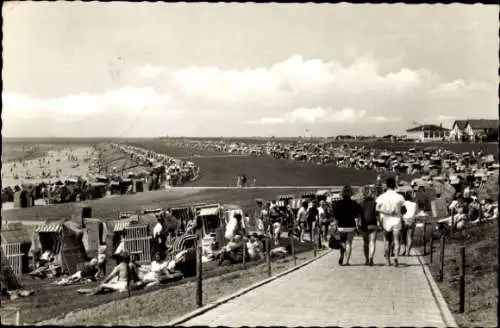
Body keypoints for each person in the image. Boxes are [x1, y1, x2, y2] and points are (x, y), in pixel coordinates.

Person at [375, 177, 406, 267]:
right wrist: (400, 212)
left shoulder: (382, 196)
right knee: (396, 241)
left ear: (386, 185)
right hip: (396, 220)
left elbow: (377, 208)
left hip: (386, 220)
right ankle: (396, 256)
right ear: (395, 185)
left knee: (387, 241)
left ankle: (387, 261)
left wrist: (386, 212)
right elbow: (404, 209)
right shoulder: (399, 196)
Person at [332, 185, 362, 266]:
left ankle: (342, 256)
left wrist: (336, 225)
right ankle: (347, 261)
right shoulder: (354, 203)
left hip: (341, 226)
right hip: (351, 226)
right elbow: (357, 215)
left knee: (342, 242)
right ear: (351, 193)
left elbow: (335, 216)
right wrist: (357, 226)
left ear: (342, 193)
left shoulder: (337, 203)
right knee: (349, 243)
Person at [359, 186, 378, 266]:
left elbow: (359, 215)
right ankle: (371, 257)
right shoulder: (375, 203)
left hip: (364, 225)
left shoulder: (360, 204)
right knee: (372, 242)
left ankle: (366, 260)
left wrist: (358, 225)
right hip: (373, 224)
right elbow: (377, 214)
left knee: (365, 243)